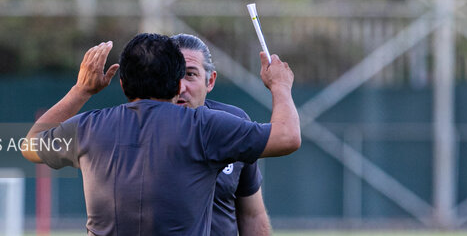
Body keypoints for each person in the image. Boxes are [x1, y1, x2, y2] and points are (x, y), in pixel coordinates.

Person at [22, 33, 300, 236]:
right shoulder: (205, 126)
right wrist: (280, 86)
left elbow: (30, 144)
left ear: (121, 83)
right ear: (177, 84)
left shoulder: (89, 127)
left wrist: (81, 90)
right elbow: (287, 137)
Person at [171, 33, 271, 236]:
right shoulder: (138, 126)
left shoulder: (233, 124)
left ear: (210, 81)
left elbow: (252, 215)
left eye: (190, 74)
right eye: (172, 76)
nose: (180, 87)